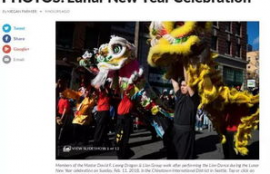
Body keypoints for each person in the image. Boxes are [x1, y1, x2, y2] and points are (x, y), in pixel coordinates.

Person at [168, 66, 200, 159]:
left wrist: (185, 65)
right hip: (175, 130)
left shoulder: (194, 99)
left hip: (186, 132)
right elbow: (174, 83)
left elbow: (188, 83)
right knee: (173, 155)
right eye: (181, 85)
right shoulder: (179, 95)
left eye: (184, 85)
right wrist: (172, 64)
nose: (182, 87)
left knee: (184, 157)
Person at [93, 82, 111, 147]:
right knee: (101, 127)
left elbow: (108, 92)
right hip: (100, 111)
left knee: (100, 127)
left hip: (105, 111)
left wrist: (103, 86)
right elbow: (95, 89)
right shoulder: (100, 93)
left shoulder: (107, 91)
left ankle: (97, 143)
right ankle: (107, 143)